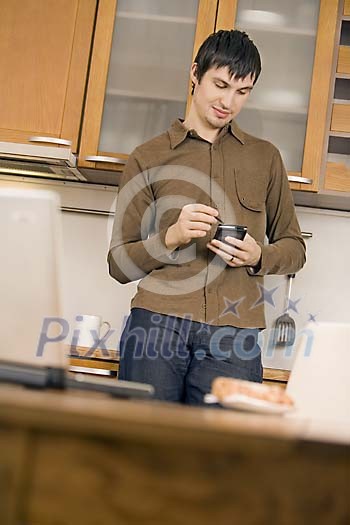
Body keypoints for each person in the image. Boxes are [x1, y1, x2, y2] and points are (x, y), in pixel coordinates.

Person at [108, 29, 306, 405]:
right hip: (156, 325)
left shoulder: (265, 158)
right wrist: (170, 237)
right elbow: (118, 264)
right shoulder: (147, 157)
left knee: (222, 456)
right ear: (195, 74)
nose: (228, 101)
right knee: (144, 449)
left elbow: (295, 248)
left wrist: (258, 256)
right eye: (220, 84)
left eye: (242, 92)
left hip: (235, 335)